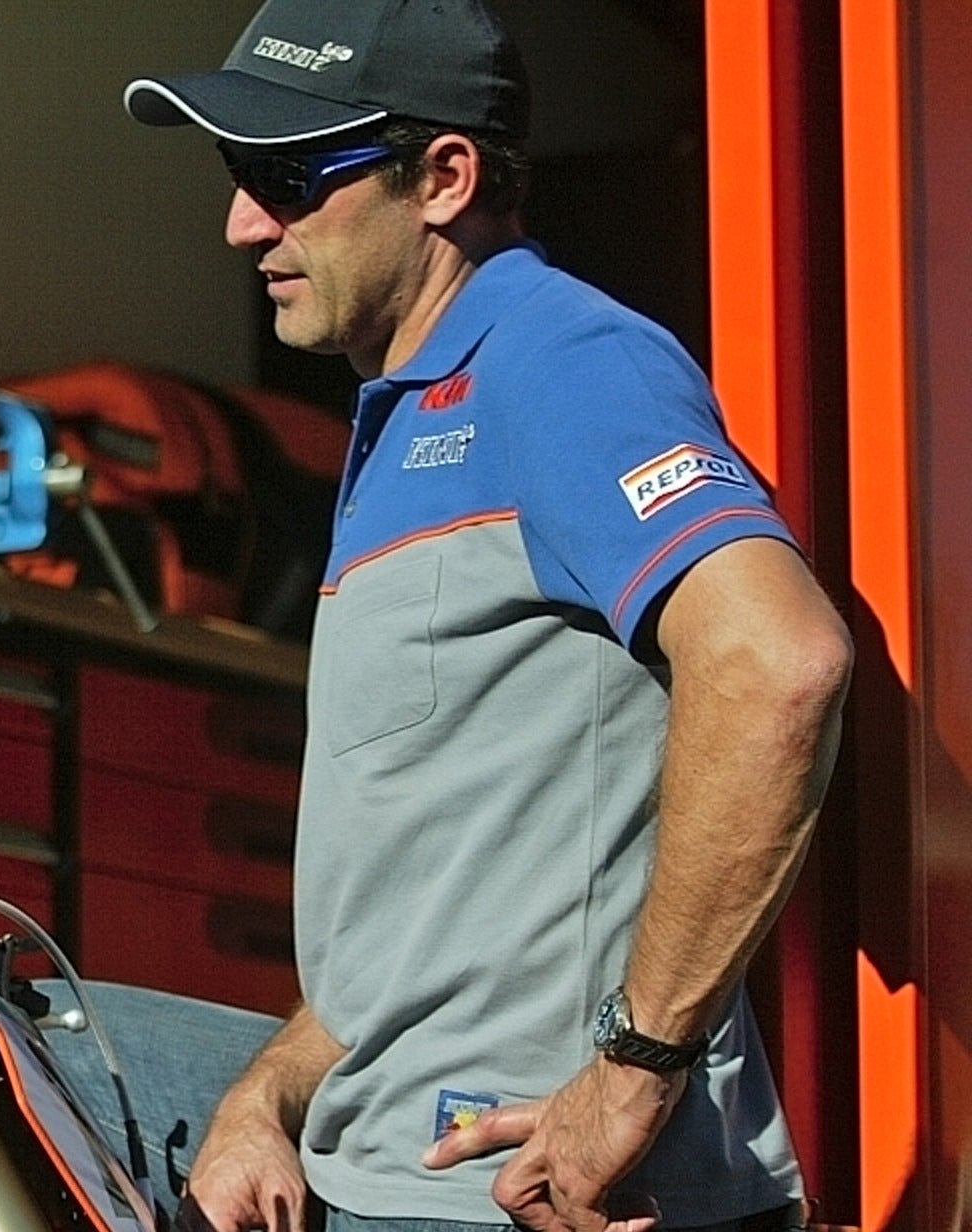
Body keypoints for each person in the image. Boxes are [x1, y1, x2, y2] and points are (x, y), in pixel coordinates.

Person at [62, 2, 855, 1230]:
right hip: (392, 1172)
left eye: (286, 179)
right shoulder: (402, 416)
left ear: (443, 177)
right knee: (10, 1038)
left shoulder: (564, 359)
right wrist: (263, 1096)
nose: (242, 223)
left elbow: (778, 660)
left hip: (518, 1190)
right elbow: (422, 926)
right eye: (235, 175)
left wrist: (636, 1064)